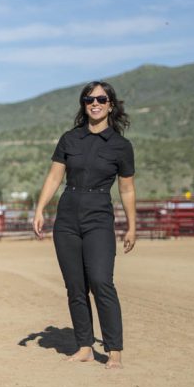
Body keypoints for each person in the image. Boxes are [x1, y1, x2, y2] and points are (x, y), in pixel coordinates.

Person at [32, 81, 137, 370]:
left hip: (98, 219)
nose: (95, 103)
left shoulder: (121, 146)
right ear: (84, 104)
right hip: (67, 218)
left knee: (101, 282)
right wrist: (40, 209)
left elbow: (127, 189)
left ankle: (114, 350)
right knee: (75, 287)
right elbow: (55, 177)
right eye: (89, 99)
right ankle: (85, 347)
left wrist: (132, 226)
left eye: (101, 99)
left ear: (110, 105)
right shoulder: (70, 139)